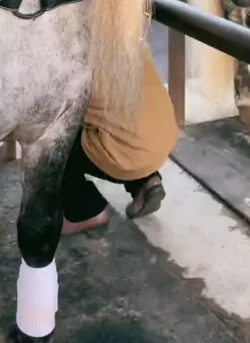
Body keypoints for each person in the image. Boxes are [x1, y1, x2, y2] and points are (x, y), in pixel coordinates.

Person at [61, 42, 178, 233]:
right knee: (124, 121)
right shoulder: (126, 35)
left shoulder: (73, 52)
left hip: (125, 155)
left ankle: (85, 212)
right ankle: (146, 181)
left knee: (54, 142)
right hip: (163, 140)